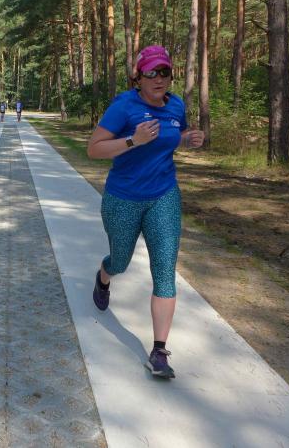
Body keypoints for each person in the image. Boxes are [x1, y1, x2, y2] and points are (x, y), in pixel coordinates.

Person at [86, 45, 204, 379]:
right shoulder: (124, 106)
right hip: (123, 198)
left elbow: (174, 135)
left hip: (164, 196)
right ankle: (104, 276)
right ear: (137, 77)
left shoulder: (175, 105)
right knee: (120, 261)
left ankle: (159, 351)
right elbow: (93, 149)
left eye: (164, 72)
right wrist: (133, 141)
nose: (158, 78)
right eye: (151, 72)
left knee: (165, 271)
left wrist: (188, 139)